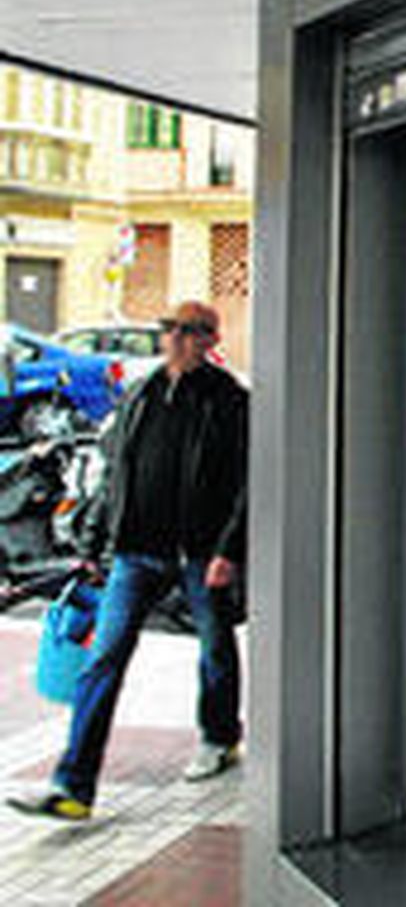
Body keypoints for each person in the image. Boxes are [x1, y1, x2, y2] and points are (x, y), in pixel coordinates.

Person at [8, 300, 248, 821]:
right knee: (103, 660)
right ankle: (73, 788)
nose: (176, 338)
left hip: (199, 552)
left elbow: (246, 484)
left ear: (211, 340)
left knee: (215, 647)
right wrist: (96, 543)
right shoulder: (141, 392)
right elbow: (117, 471)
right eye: (170, 329)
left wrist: (229, 551)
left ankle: (220, 736)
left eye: (189, 331)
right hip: (135, 553)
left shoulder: (229, 401)